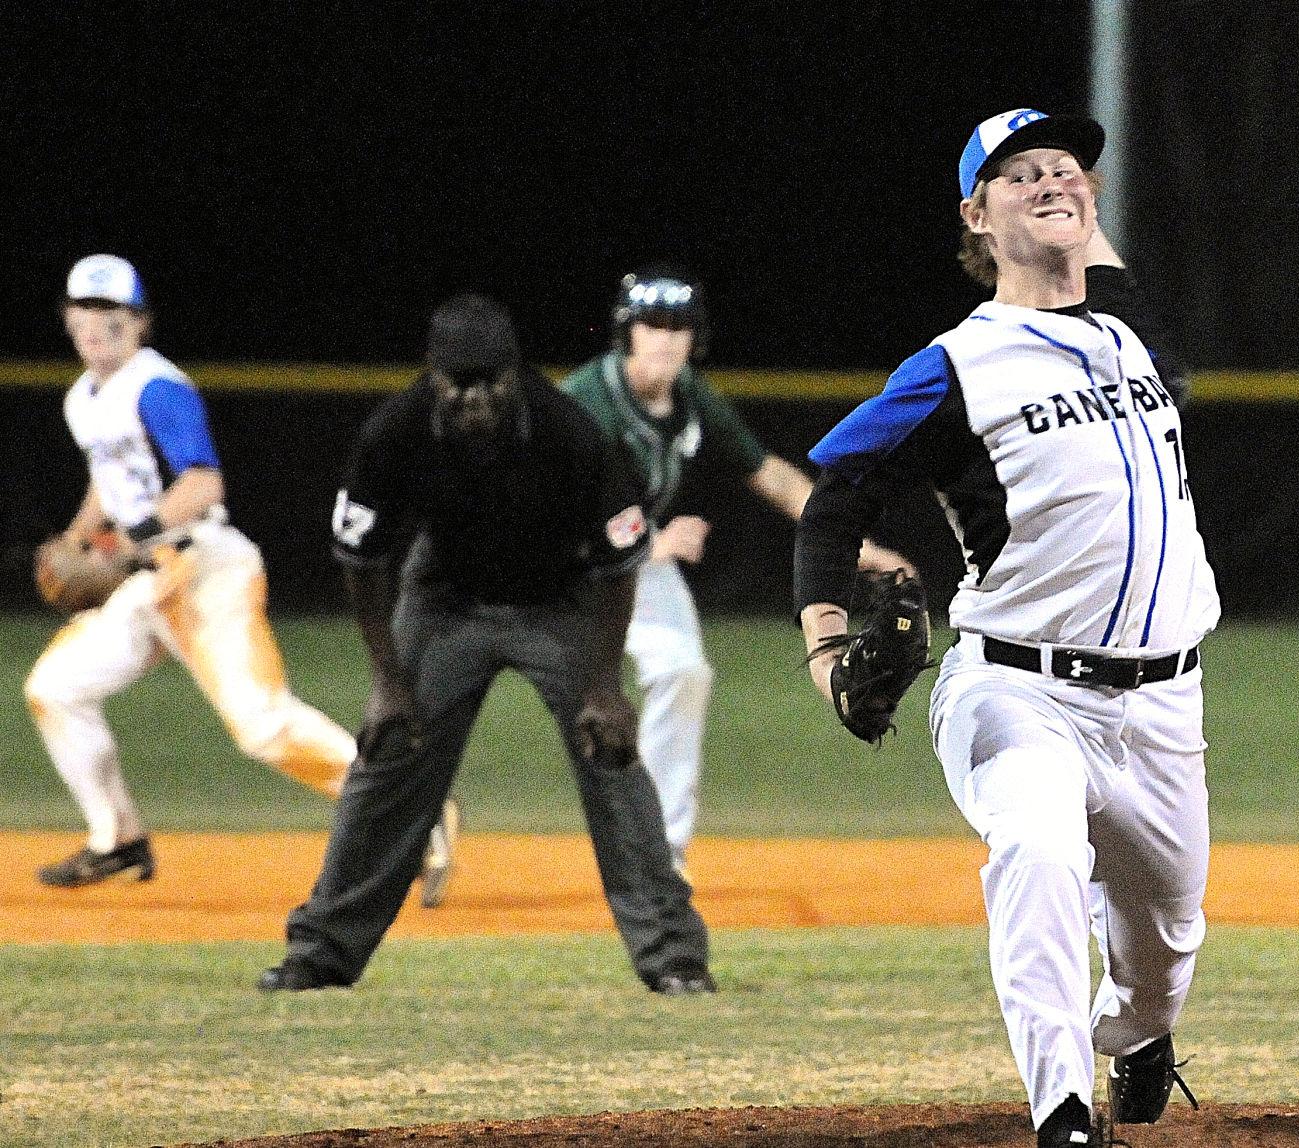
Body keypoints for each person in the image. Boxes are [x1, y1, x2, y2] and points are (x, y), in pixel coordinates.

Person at [794, 111, 1218, 1146]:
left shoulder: (1130, 337)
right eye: (1016, 174)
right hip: (1015, 688)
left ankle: (1131, 1035)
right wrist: (821, 648)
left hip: (1162, 705)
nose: (1049, 181)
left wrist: (1072, 197)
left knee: (1159, 964)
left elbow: (1086, 237)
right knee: (1033, 849)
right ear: (974, 215)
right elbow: (835, 495)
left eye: (1065, 169)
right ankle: (1061, 1113)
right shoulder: (954, 366)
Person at [260, 293, 713, 996]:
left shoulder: (569, 432)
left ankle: (674, 958)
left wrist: (603, 687)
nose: (472, 398)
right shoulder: (397, 430)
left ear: (516, 372)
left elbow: (619, 563)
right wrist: (386, 683)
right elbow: (361, 560)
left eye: (489, 382)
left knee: (610, 752)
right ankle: (318, 955)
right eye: (456, 383)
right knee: (386, 758)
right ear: (431, 374)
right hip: (445, 601)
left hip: (559, 600)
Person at [23, 255, 455, 907]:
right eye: (84, 311)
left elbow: (202, 484)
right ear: (68, 316)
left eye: (112, 315)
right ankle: (118, 837)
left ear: (139, 323)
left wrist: (118, 550)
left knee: (261, 725)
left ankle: (412, 806)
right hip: (149, 584)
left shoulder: (155, 386)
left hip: (206, 570)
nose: (95, 326)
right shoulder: (83, 397)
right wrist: (79, 536)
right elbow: (109, 483)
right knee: (55, 689)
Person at [561, 267, 911, 869]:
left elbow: (769, 473)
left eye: (681, 327)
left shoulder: (688, 395)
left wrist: (851, 541)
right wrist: (646, 540)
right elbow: (547, 507)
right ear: (627, 333)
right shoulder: (587, 402)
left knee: (682, 671)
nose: (667, 339)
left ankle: (657, 855)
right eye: (653, 324)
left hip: (635, 562)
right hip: (563, 565)